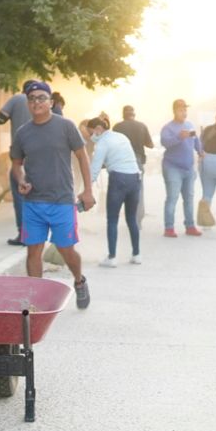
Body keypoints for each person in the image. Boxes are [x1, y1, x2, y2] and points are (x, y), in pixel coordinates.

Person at [11, 80, 94, 309]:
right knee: (33, 251)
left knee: (66, 250)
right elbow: (16, 164)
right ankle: (36, 299)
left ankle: (79, 280)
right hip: (33, 202)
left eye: (41, 98)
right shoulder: (23, 133)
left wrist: (87, 190)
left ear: (51, 102)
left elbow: (82, 156)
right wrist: (21, 180)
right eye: (31, 99)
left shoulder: (66, 126)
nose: (36, 102)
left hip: (62, 201)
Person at [86, 115, 142, 267]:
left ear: (98, 129)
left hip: (118, 179)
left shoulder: (102, 143)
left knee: (112, 219)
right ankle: (136, 254)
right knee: (132, 218)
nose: (91, 137)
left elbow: (95, 169)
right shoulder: (121, 137)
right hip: (135, 178)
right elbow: (122, 157)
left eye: (91, 133)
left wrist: (87, 189)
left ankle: (112, 257)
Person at [0, 87, 34, 246]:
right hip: (39, 156)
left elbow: (0, 119)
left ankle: (24, 234)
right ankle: (38, 232)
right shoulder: (44, 102)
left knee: (20, 194)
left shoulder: (17, 99)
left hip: (20, 156)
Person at [160, 99, 202, 237]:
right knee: (172, 197)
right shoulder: (168, 128)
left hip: (188, 168)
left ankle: (190, 226)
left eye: (185, 110)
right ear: (174, 111)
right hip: (172, 167)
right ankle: (169, 228)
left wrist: (201, 151)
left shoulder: (190, 125)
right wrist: (179, 137)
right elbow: (165, 142)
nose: (183, 113)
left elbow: (196, 140)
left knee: (189, 198)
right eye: (180, 110)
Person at [113, 104, 155, 222]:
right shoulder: (142, 126)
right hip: (137, 160)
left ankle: (125, 216)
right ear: (134, 114)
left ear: (123, 115)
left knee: (122, 190)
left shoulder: (117, 127)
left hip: (121, 162)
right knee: (138, 190)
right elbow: (150, 145)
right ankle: (137, 219)